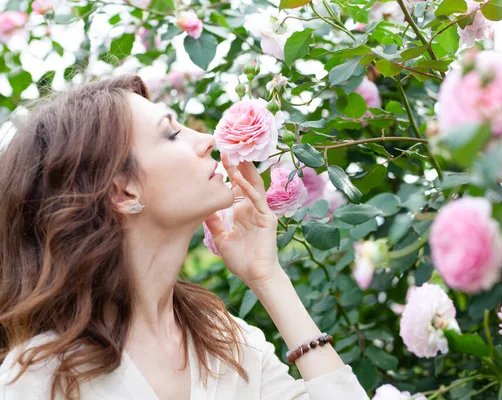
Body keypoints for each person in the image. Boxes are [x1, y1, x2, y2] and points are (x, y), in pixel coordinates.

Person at [0, 75, 370, 400]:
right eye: (172, 133)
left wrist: (268, 278)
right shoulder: (41, 377)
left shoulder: (228, 342)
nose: (207, 140)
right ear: (123, 192)